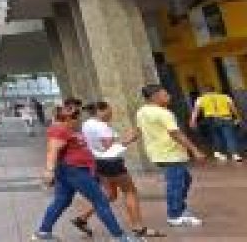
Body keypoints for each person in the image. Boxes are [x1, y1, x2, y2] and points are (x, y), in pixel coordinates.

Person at [30, 104, 136, 241]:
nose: (79, 120)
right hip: (74, 171)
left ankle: (43, 232)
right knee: (100, 201)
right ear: (70, 118)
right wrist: (49, 170)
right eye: (77, 117)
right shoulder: (60, 129)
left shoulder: (68, 129)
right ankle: (119, 237)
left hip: (70, 171)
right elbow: (53, 150)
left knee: (62, 201)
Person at [72, 102, 162, 238]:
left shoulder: (87, 124)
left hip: (99, 162)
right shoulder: (102, 126)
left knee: (110, 194)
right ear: (100, 111)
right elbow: (109, 147)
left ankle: (82, 218)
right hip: (112, 163)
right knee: (130, 191)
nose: (111, 114)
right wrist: (131, 139)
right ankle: (138, 227)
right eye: (109, 111)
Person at [138, 84, 206, 228]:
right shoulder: (164, 113)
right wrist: (194, 150)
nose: (169, 97)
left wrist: (128, 140)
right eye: (165, 94)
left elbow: (139, 129)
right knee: (176, 184)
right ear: (155, 96)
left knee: (185, 179)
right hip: (170, 154)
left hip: (158, 153)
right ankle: (175, 215)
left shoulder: (142, 111)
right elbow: (176, 134)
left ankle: (179, 207)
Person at [189, 85, 241, 161]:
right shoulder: (225, 97)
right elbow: (233, 108)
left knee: (216, 136)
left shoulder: (201, 99)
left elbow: (196, 111)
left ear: (204, 92)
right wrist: (237, 117)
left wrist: (192, 121)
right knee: (229, 136)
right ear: (214, 90)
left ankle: (218, 153)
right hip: (226, 118)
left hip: (211, 119)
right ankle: (235, 154)